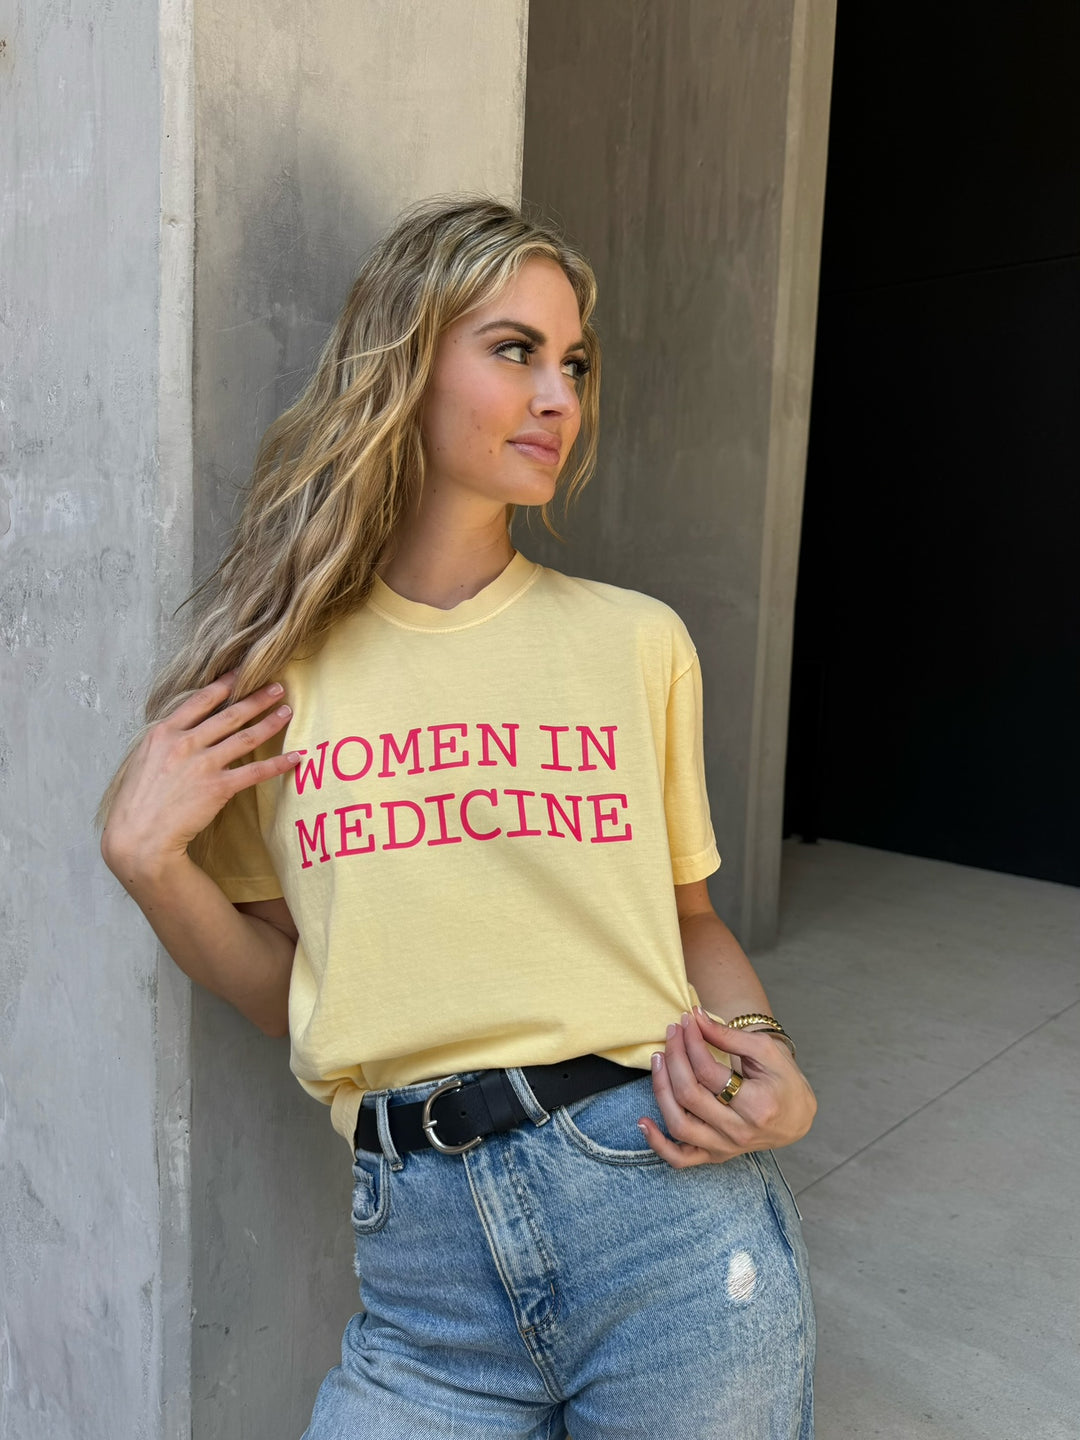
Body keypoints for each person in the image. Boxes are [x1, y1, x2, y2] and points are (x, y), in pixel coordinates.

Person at [99, 194, 817, 1438]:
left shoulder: (637, 644)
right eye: (514, 349)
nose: (559, 396)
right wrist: (148, 863)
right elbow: (299, 992)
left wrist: (770, 1054)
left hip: (661, 1209)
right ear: (407, 357)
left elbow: (687, 921)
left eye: (574, 363)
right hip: (420, 1279)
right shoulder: (275, 683)